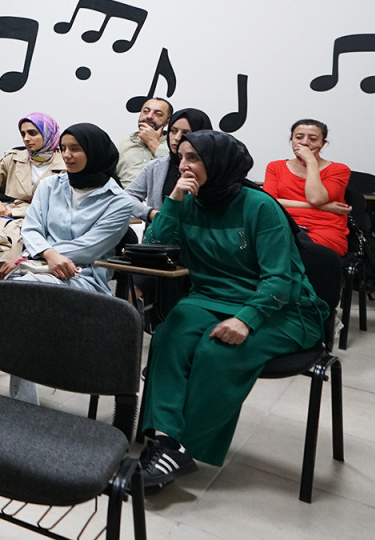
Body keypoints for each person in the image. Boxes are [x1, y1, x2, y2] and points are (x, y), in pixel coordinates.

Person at [137, 130, 329, 490]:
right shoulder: (187, 200)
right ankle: (166, 441)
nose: (184, 166)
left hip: (282, 308)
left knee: (216, 351)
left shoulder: (259, 206)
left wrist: (246, 320)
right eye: (181, 158)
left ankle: (178, 448)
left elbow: (280, 280)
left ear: (218, 163)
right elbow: (155, 248)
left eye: (194, 158)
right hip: (210, 297)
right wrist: (173, 202)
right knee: (168, 335)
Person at [0, 123, 134, 403]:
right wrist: (48, 255)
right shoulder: (50, 185)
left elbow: (91, 247)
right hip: (37, 270)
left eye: (75, 149)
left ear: (95, 152)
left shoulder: (120, 201)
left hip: (82, 277)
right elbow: (31, 228)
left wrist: (41, 255)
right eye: (63, 148)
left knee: (13, 295)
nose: (66, 155)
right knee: (19, 303)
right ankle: (2, 387)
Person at [262, 119, 352, 255]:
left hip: (323, 230)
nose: (304, 142)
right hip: (284, 225)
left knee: (288, 248)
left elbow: (315, 199)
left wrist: (311, 161)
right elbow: (270, 202)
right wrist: (322, 207)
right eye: (298, 137)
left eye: (313, 139)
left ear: (323, 144)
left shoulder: (339, 169)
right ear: (291, 140)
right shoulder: (275, 167)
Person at [125, 107, 214, 224]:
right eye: (173, 131)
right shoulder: (156, 166)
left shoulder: (213, 168)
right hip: (160, 232)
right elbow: (126, 197)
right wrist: (150, 213)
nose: (177, 138)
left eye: (186, 133)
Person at [0, 112, 67, 224]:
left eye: (32, 133)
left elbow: (67, 203)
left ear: (48, 134)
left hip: (52, 219)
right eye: (23, 134)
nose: (26, 139)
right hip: (12, 219)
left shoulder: (67, 162)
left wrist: (15, 212)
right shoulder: (12, 159)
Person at [115, 96, 172, 185]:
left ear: (167, 122)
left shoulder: (173, 144)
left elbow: (175, 170)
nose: (149, 116)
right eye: (145, 111)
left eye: (158, 114)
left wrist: (152, 142)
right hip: (124, 192)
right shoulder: (122, 143)